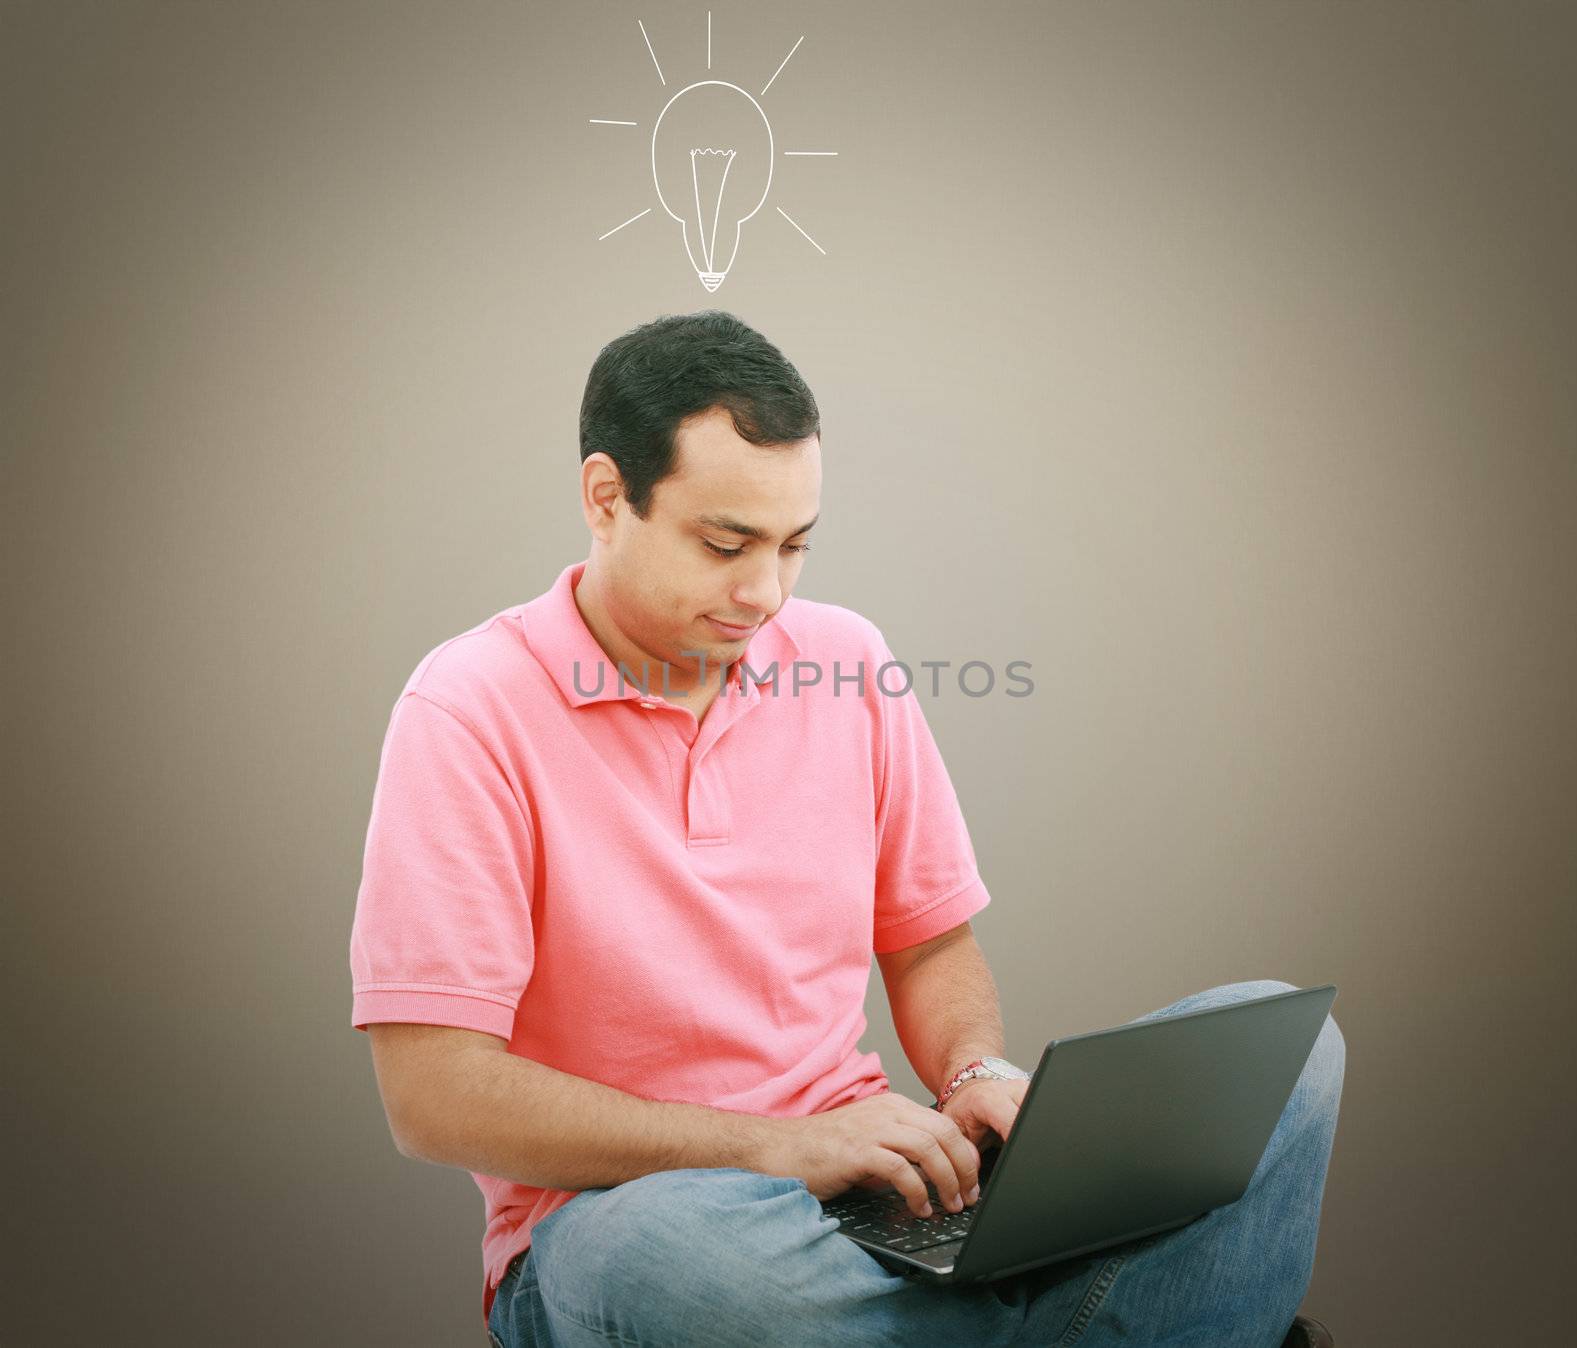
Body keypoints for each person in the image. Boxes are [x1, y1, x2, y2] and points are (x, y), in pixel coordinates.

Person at [348, 310, 1345, 1347]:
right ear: (607, 496)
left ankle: (1010, 1312)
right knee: (654, 1260)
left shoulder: (847, 662)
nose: (764, 592)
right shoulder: (467, 709)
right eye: (725, 544)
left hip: (879, 1179)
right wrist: (778, 1147)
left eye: (792, 546)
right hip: (644, 1214)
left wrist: (970, 1075)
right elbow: (433, 1093)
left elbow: (930, 946)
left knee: (1289, 1043)